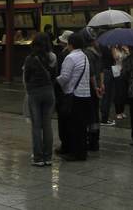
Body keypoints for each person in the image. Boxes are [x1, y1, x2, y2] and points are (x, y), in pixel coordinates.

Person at [56, 32, 91, 161]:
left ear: (70, 44)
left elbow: (64, 77)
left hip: (74, 95)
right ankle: (82, 152)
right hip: (85, 94)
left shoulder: (71, 58)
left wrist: (55, 81)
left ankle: (74, 152)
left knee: (73, 126)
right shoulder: (84, 56)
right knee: (81, 126)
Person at [24, 32, 57, 167]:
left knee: (36, 126)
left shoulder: (30, 58)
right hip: (49, 92)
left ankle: (38, 158)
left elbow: (26, 78)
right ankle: (48, 157)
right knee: (47, 125)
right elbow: (54, 75)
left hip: (35, 93)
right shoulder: (52, 57)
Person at [82, 27, 104, 152]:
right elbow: (100, 70)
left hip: (90, 88)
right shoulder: (97, 52)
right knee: (95, 114)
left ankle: (91, 141)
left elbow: (91, 74)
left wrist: (95, 87)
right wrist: (102, 85)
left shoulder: (87, 53)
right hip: (98, 87)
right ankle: (95, 141)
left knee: (89, 115)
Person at [112, 45, 128, 120]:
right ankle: (118, 112)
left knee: (123, 93)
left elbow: (128, 58)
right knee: (118, 93)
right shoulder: (114, 49)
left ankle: (122, 111)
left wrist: (126, 52)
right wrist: (119, 55)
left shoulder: (124, 49)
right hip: (117, 72)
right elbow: (115, 58)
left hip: (124, 72)